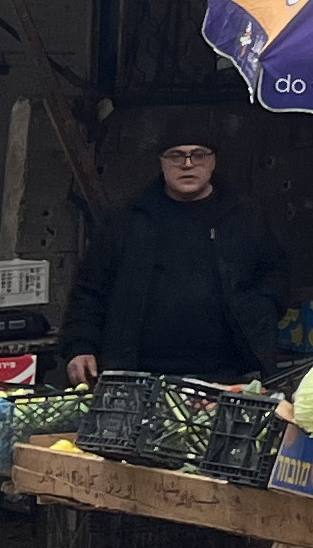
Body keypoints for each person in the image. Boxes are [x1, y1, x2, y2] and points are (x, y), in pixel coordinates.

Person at [60, 137, 289, 388]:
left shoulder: (244, 216)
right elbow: (90, 290)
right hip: (138, 377)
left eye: (198, 155)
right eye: (176, 156)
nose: (187, 164)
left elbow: (276, 273)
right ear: (161, 162)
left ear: (213, 161)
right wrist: (80, 345)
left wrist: (263, 310)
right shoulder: (128, 220)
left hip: (230, 376)